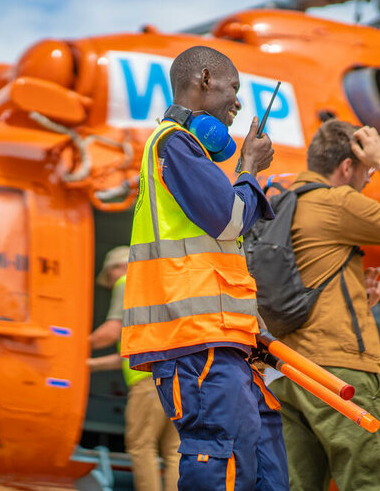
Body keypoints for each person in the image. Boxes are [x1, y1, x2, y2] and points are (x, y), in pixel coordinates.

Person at [120, 45, 288, 491]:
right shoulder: (174, 143)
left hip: (226, 338)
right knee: (221, 453)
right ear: (206, 78)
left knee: (263, 460)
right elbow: (229, 219)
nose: (237, 103)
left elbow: (218, 243)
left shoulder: (185, 150)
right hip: (195, 338)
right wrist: (249, 167)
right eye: (234, 90)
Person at [268, 119, 380, 491]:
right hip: (342, 374)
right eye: (367, 173)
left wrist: (358, 295)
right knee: (370, 482)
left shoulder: (280, 204)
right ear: (347, 167)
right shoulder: (337, 201)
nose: (366, 181)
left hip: (289, 372)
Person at [88, 245, 181, 491]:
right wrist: (90, 365)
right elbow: (128, 355)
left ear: (116, 268)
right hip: (176, 376)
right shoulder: (157, 287)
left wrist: (73, 347)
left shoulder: (127, 281)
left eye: (109, 278)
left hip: (147, 382)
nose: (111, 285)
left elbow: (110, 331)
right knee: (174, 450)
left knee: (141, 445)